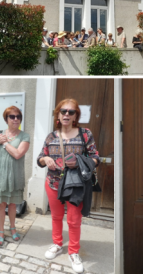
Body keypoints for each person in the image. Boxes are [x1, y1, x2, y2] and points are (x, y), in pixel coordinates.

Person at [37, 99, 100, 273]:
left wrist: (79, 162)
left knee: (74, 221)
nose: (66, 114)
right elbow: (40, 157)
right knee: (56, 217)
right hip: (53, 184)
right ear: (57, 114)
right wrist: (45, 159)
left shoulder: (84, 134)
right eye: (63, 111)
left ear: (75, 116)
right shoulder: (51, 136)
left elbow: (96, 158)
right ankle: (57, 243)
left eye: (71, 112)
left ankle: (73, 251)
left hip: (75, 186)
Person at [0, 106, 30, 247]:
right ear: (6, 119)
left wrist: (4, 143)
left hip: (14, 176)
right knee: (0, 204)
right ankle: (0, 231)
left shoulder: (24, 136)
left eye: (18, 116)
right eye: (12, 116)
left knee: (12, 204)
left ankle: (12, 228)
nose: (15, 119)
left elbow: (17, 154)